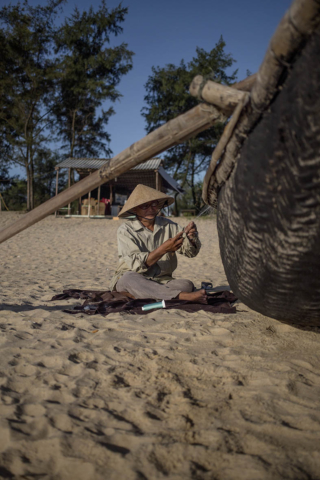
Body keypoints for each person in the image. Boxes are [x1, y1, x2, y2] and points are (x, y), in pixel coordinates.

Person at [110, 184, 207, 303]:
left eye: (154, 204)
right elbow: (136, 265)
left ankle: (140, 295)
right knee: (128, 279)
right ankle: (182, 297)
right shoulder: (125, 230)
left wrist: (192, 237)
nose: (151, 209)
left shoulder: (170, 226)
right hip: (134, 278)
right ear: (135, 209)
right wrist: (163, 249)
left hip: (161, 281)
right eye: (145, 206)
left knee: (187, 285)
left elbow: (190, 253)